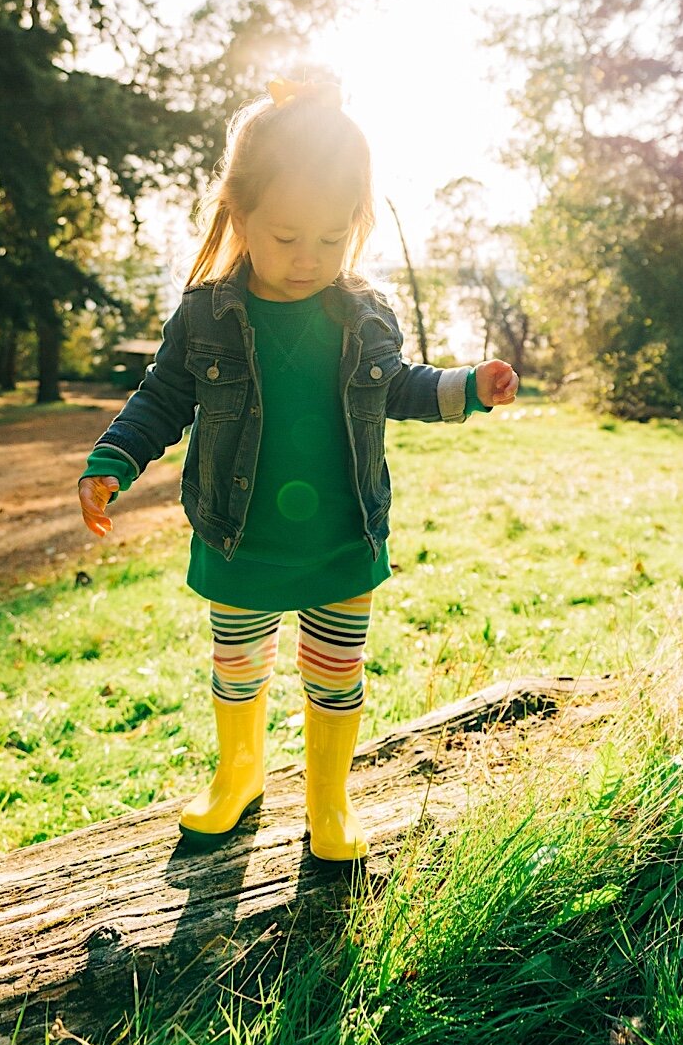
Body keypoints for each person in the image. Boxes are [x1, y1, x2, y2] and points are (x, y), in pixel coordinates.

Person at [75, 78, 519, 861]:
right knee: (238, 668)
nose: (307, 257)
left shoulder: (363, 311)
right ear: (240, 216)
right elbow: (162, 397)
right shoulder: (206, 313)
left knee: (335, 675)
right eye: (285, 237)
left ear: (356, 223)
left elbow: (401, 386)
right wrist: (114, 458)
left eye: (329, 237)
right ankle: (240, 773)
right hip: (241, 538)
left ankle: (328, 800)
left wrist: (468, 388)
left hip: (342, 538)